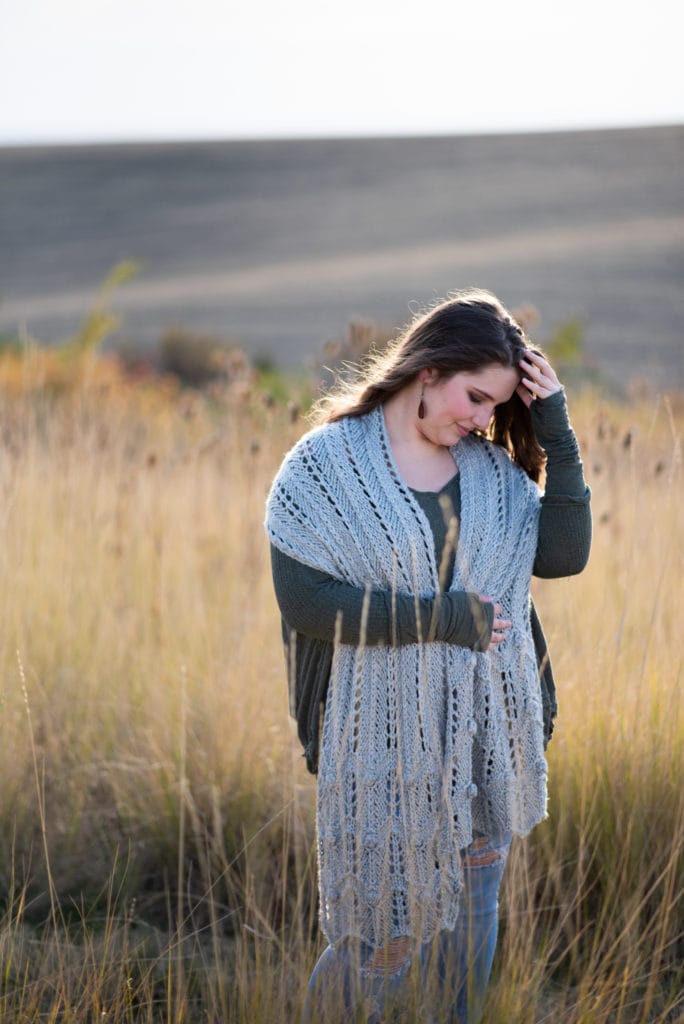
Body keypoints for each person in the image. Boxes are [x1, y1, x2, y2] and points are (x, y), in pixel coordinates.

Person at [265, 289, 591, 1023]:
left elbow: (564, 556)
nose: (479, 420)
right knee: (379, 940)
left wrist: (558, 436)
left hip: (483, 742)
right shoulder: (325, 465)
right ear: (429, 368)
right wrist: (441, 618)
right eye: (474, 397)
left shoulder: (492, 475)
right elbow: (308, 602)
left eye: (494, 406)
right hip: (378, 746)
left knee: (468, 939)